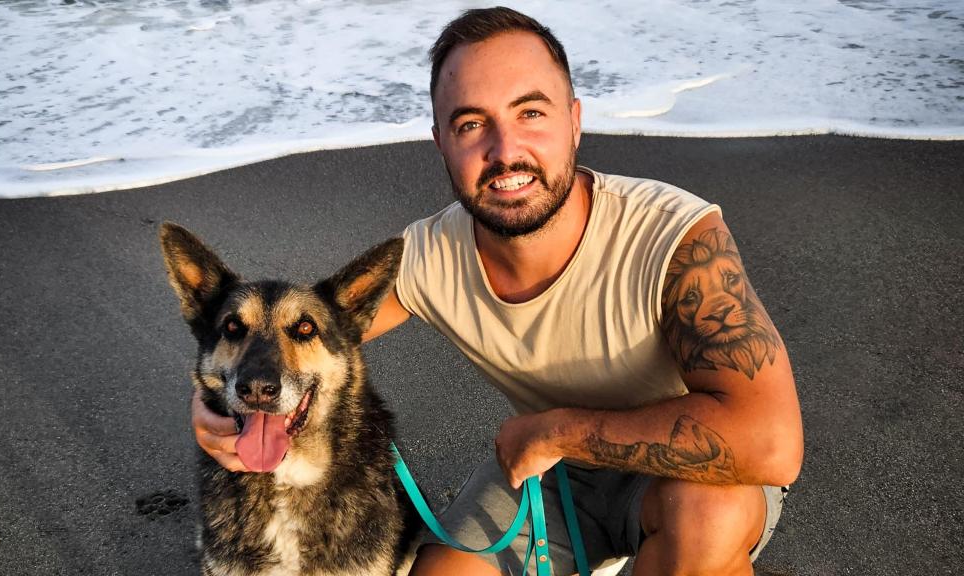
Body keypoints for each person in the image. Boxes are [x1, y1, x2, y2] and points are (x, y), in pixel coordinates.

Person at [191, 7, 803, 576]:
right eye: (471, 123)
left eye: (530, 113)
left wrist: (556, 431)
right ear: (441, 142)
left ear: (575, 120)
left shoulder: (673, 236)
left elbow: (773, 445)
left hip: (680, 478)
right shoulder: (430, 254)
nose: (505, 150)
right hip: (547, 478)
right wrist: (219, 406)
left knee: (706, 521)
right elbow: (310, 339)